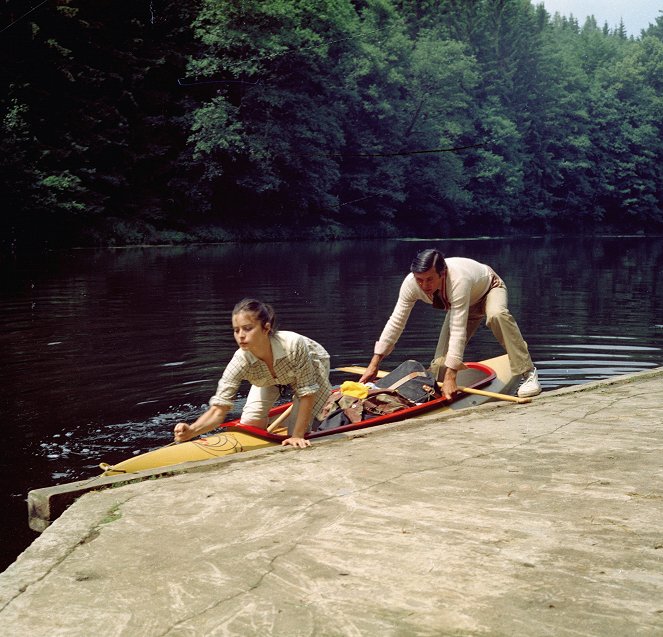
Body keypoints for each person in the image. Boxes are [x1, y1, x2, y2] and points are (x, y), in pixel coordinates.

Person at [359, 248, 541, 399]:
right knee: (440, 364)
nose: (424, 285)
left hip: (488, 290)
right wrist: (374, 364)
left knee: (496, 315)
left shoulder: (458, 280)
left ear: (442, 273)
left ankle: (528, 372)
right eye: (419, 280)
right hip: (461, 306)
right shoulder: (410, 284)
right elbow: (396, 322)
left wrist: (451, 376)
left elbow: (458, 329)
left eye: (430, 279)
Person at [174, 299, 332, 448]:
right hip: (272, 376)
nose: (241, 335)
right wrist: (192, 431)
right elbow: (218, 410)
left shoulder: (294, 345)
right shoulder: (240, 360)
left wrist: (297, 435)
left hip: (312, 364)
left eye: (247, 328)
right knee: (250, 423)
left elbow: (307, 394)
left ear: (266, 328)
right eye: (236, 330)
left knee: (295, 434)